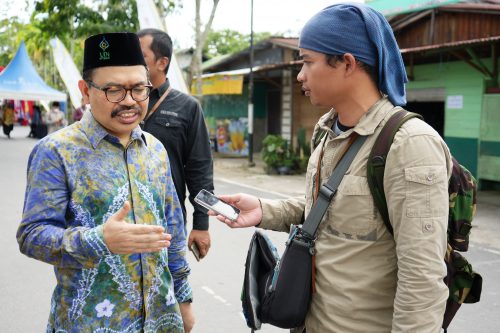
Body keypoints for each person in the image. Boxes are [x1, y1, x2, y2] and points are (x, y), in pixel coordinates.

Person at [212, 4, 452, 333]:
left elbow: (422, 281)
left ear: (347, 63)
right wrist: (265, 210)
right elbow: (330, 210)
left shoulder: (409, 145)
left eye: (308, 61)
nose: (300, 75)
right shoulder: (328, 133)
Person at [17, 32, 193, 332]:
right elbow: (32, 235)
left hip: (161, 320)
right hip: (90, 321)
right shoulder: (56, 151)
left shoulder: (155, 149)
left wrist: (184, 300)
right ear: (85, 91)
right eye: (113, 90)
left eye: (139, 89)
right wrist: (98, 240)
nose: (129, 101)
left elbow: (173, 231)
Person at [137, 29, 214, 261]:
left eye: (141, 57)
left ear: (162, 62)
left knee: (172, 287)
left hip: (168, 220)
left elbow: (200, 168)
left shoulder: (187, 108)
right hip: (122, 219)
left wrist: (202, 224)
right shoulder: (122, 102)